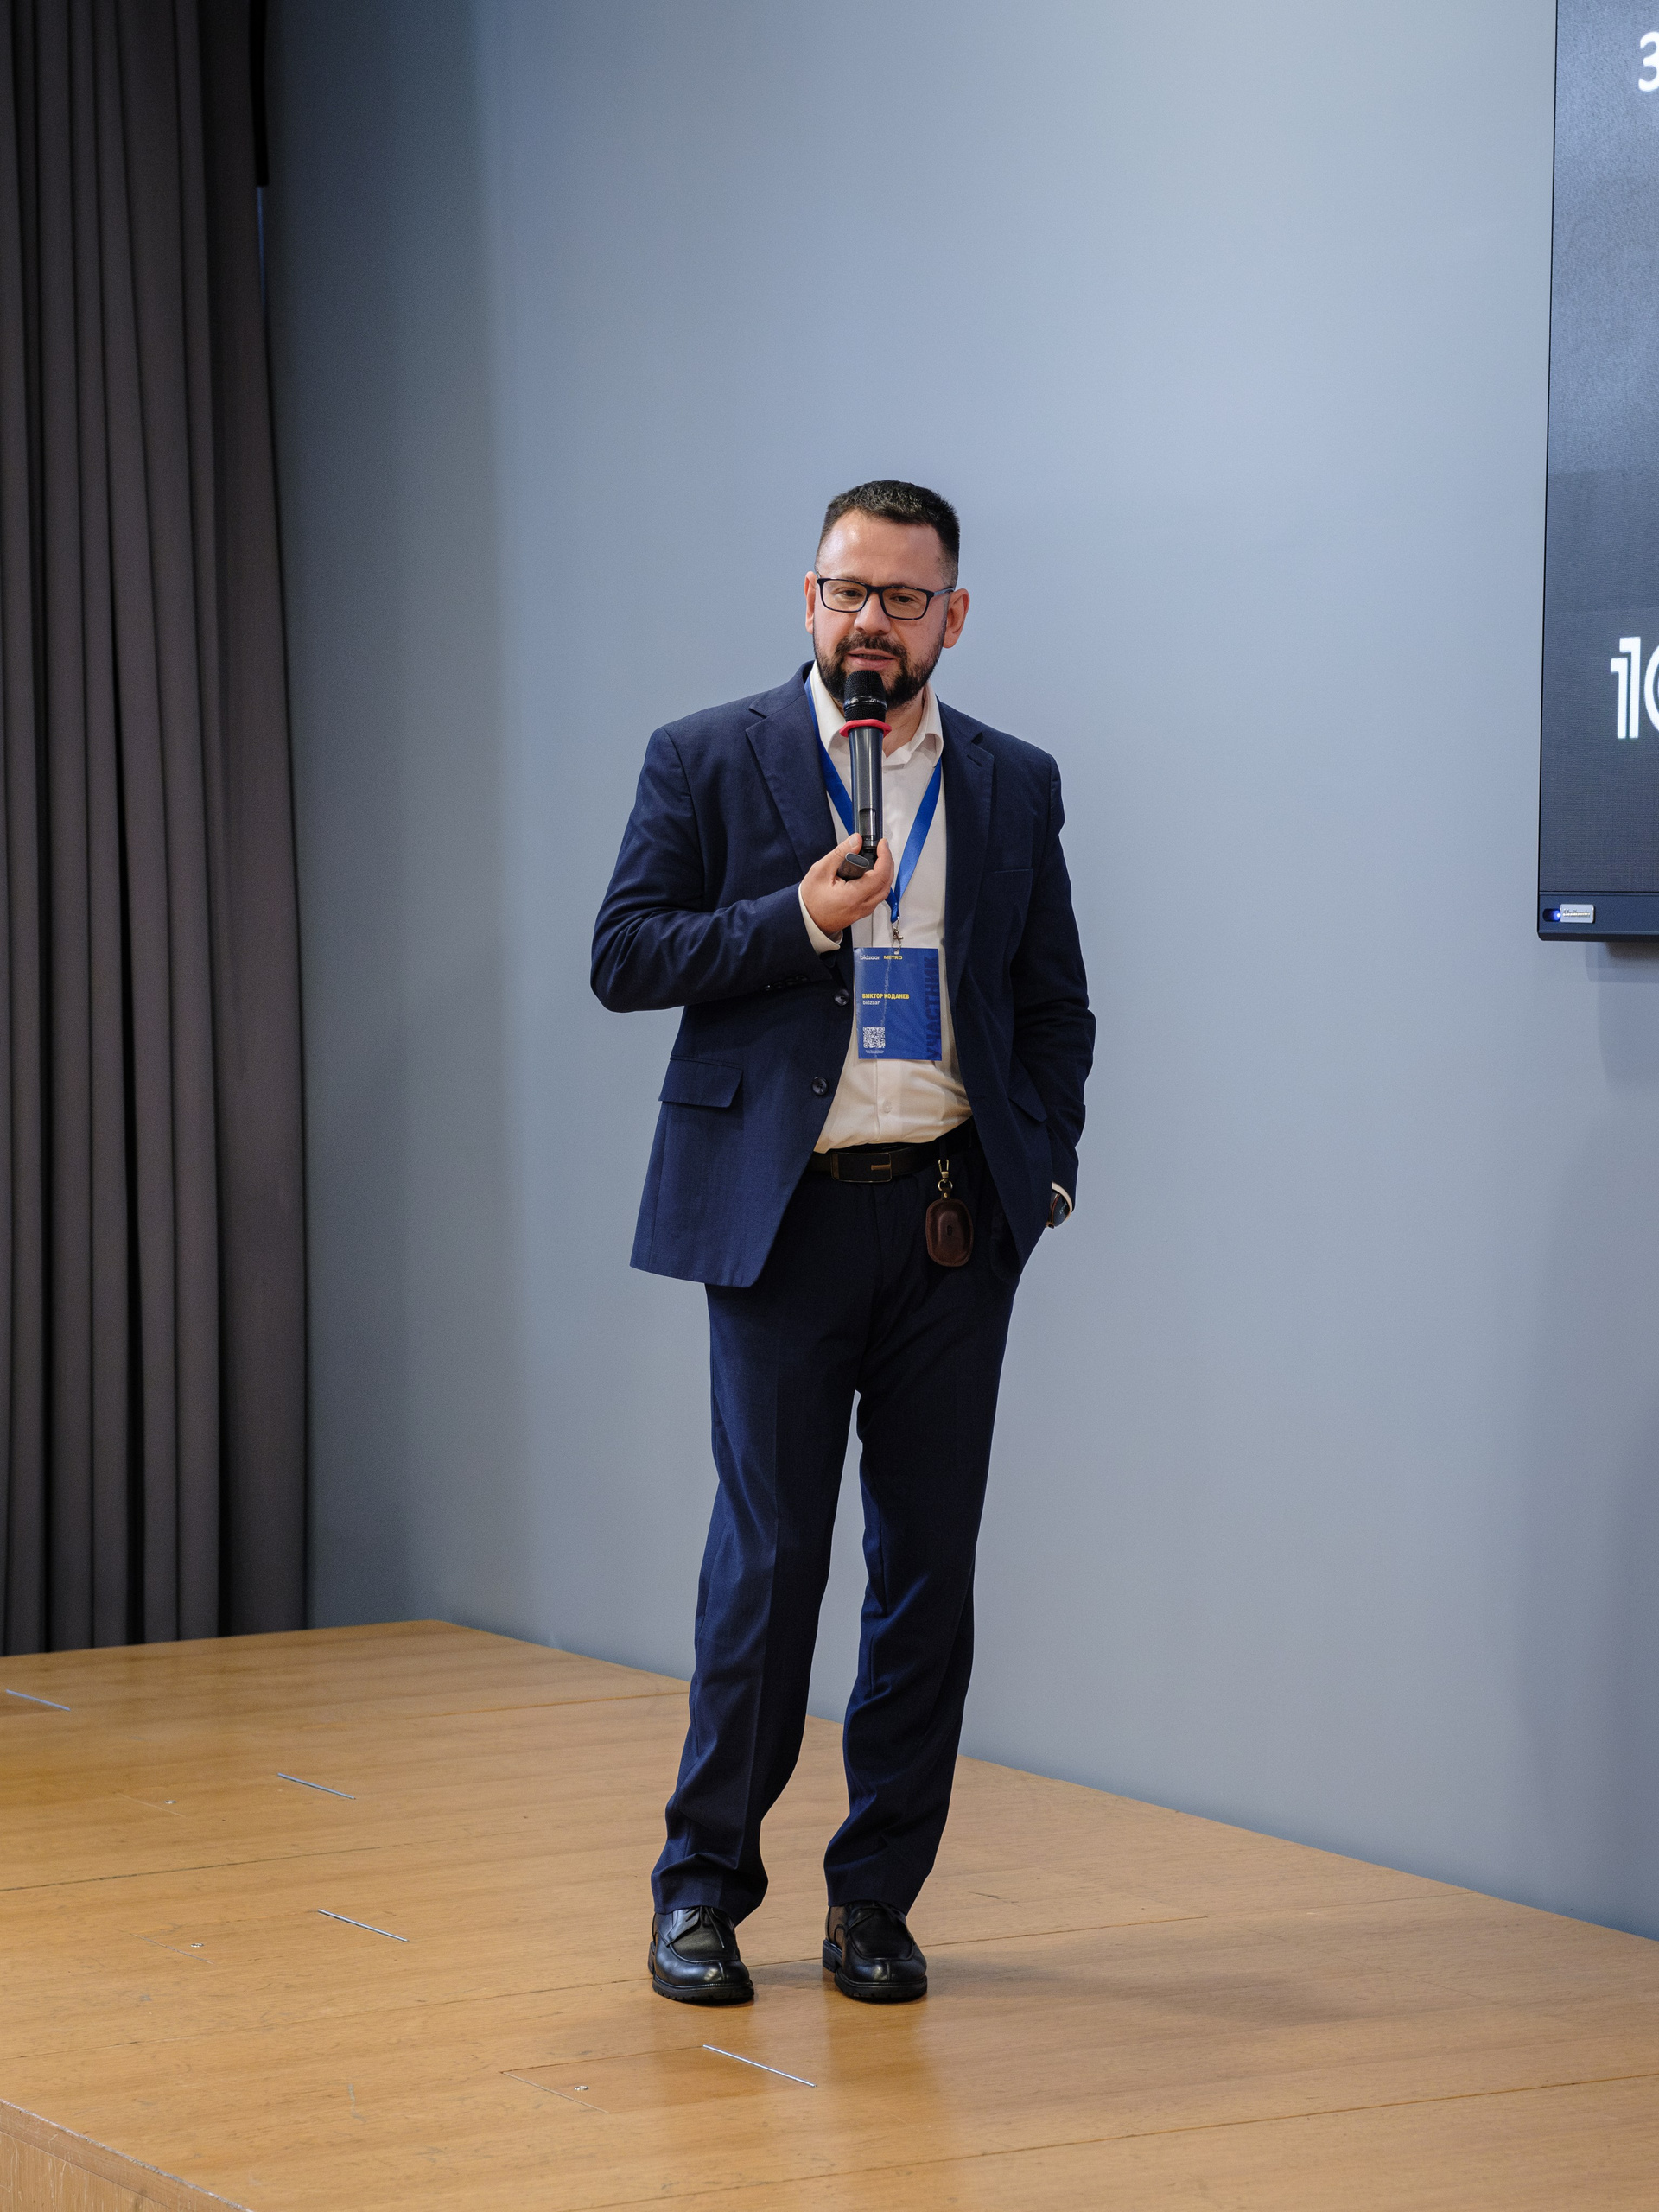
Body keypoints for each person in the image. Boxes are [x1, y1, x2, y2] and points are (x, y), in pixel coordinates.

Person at [592, 479, 1093, 2007]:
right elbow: (626, 955)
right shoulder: (706, 756)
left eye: (902, 597)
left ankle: (875, 1899)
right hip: (783, 1223)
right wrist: (797, 921)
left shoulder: (1009, 782)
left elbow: (1053, 1002)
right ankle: (701, 1893)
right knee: (769, 1564)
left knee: (926, 1573)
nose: (871, 621)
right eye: (847, 590)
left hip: (951, 1223)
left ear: (953, 616)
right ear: (808, 599)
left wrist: (1043, 1177)